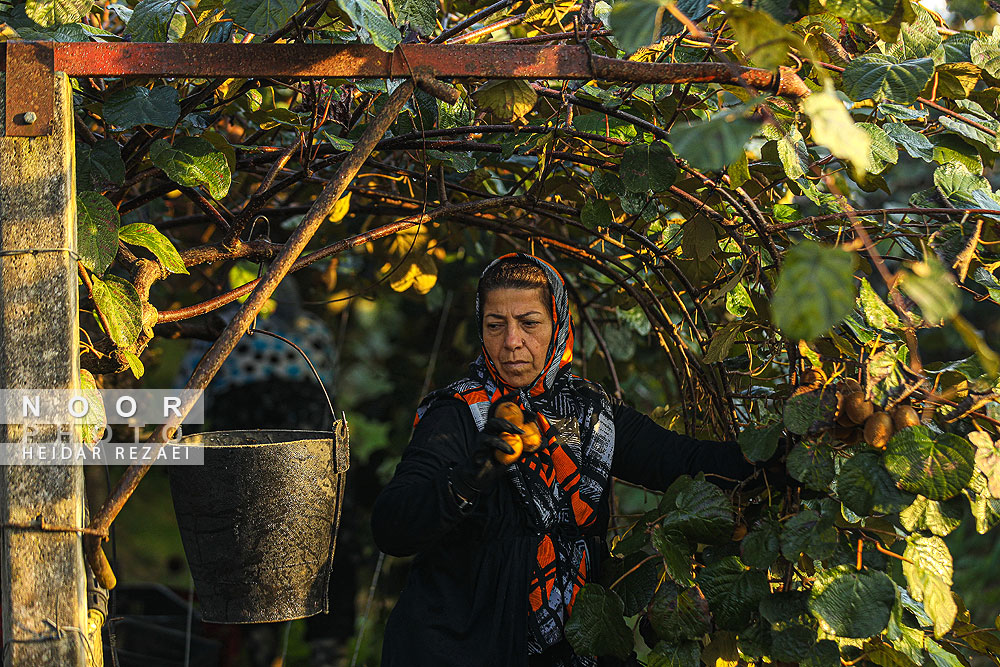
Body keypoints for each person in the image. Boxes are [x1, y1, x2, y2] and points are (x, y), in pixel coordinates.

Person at [371, 253, 763, 666]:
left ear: (557, 324)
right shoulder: (458, 413)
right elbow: (393, 527)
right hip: (463, 645)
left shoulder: (590, 412)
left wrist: (783, 450)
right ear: (480, 330)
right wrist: (471, 476)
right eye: (495, 325)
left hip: (573, 647)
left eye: (529, 323)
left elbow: (686, 461)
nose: (512, 342)